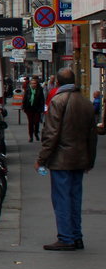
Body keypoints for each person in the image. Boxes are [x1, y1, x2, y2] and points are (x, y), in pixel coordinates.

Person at [37, 67, 98, 251]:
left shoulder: (58, 101)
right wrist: (90, 160)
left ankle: (65, 237)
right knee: (74, 198)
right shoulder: (85, 102)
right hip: (80, 158)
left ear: (57, 83)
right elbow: (92, 135)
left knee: (61, 198)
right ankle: (76, 235)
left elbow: (51, 133)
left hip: (61, 159)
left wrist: (42, 159)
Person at [23, 76, 45, 142]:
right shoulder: (28, 90)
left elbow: (42, 100)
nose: (33, 85)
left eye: (34, 83)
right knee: (30, 123)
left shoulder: (39, 90)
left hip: (37, 108)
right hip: (29, 108)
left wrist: (42, 108)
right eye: (32, 83)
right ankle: (31, 136)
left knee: (36, 122)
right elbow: (25, 98)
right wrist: (24, 106)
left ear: (37, 84)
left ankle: (36, 133)